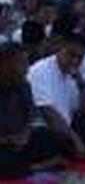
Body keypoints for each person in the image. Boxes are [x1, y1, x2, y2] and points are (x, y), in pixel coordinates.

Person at [27, 33, 85, 157]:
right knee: (45, 137)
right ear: (60, 48)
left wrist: (81, 84)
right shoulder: (40, 70)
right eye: (71, 55)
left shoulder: (76, 71)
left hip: (66, 126)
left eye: (80, 58)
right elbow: (48, 114)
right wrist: (76, 139)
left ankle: (78, 148)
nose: (75, 60)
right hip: (45, 128)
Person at [0, 43, 65, 178]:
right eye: (21, 63)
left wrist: (25, 134)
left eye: (26, 63)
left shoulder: (23, 85)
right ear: (5, 64)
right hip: (4, 143)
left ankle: (25, 165)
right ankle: (40, 166)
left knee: (52, 136)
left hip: (21, 140)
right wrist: (7, 140)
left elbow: (31, 115)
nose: (26, 69)